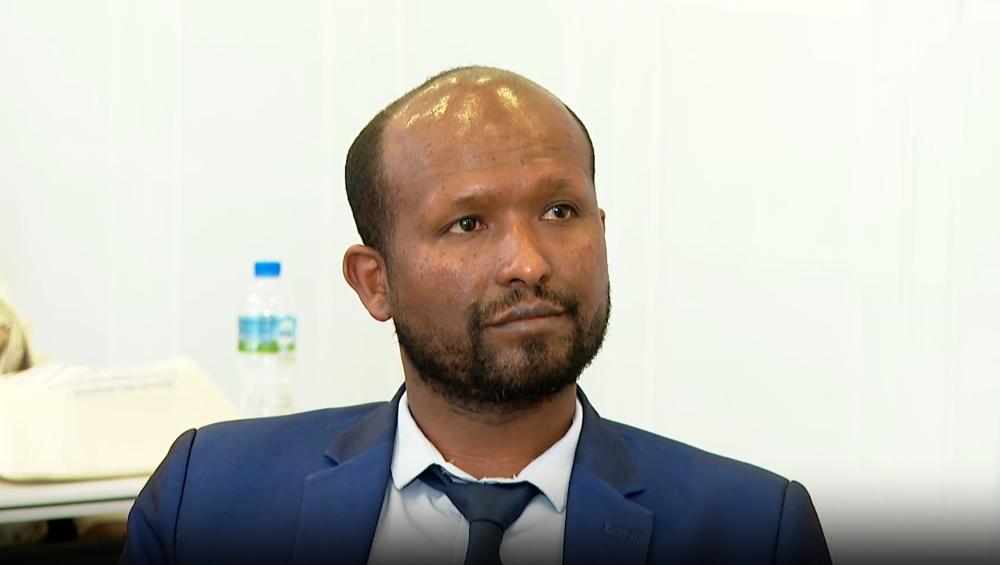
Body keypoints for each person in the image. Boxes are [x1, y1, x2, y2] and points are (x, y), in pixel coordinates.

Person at [119, 66, 832, 565]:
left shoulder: (753, 530)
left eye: (560, 211)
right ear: (375, 283)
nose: (528, 262)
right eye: (467, 223)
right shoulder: (206, 498)